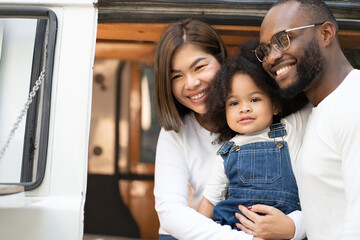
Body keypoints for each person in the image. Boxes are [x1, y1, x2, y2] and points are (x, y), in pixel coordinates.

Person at [153, 18, 305, 240]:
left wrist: (294, 226)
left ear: (221, 61)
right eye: (177, 76)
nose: (191, 83)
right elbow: (171, 213)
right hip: (196, 233)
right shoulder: (175, 132)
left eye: (200, 67)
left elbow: (321, 191)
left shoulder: (274, 122)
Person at [255, 0, 360, 239]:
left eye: (283, 39)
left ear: (325, 33)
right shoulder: (319, 111)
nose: (271, 58)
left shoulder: (355, 101)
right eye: (265, 50)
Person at [198, 39, 309, 240]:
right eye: (234, 102)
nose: (244, 108)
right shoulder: (226, 152)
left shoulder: (290, 129)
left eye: (255, 99)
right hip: (233, 231)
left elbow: (316, 92)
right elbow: (209, 203)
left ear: (275, 105)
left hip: (282, 230)